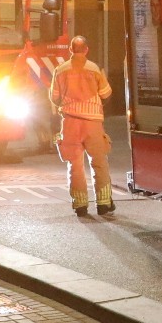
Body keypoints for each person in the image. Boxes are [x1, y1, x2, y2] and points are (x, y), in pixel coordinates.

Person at [48, 35, 114, 217]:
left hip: (70, 123)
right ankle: (103, 204)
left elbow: (54, 97)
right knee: (99, 163)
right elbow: (106, 93)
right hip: (92, 124)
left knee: (75, 166)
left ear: (70, 50)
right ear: (86, 49)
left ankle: (80, 206)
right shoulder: (94, 69)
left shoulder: (60, 70)